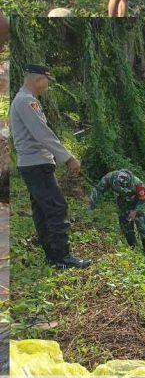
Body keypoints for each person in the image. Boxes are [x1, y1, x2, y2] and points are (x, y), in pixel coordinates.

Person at [10, 65, 90, 269]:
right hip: (37, 165)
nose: (47, 86)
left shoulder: (24, 100)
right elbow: (43, 134)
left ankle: (52, 256)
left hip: (31, 164)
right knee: (56, 208)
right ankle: (62, 256)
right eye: (47, 81)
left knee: (42, 210)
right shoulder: (27, 101)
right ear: (38, 79)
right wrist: (68, 158)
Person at [88, 169, 145, 255]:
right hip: (122, 204)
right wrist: (91, 207)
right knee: (126, 228)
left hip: (137, 203)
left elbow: (144, 199)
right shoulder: (109, 177)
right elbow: (98, 190)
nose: (123, 188)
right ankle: (134, 251)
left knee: (142, 227)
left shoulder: (138, 183)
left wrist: (135, 211)